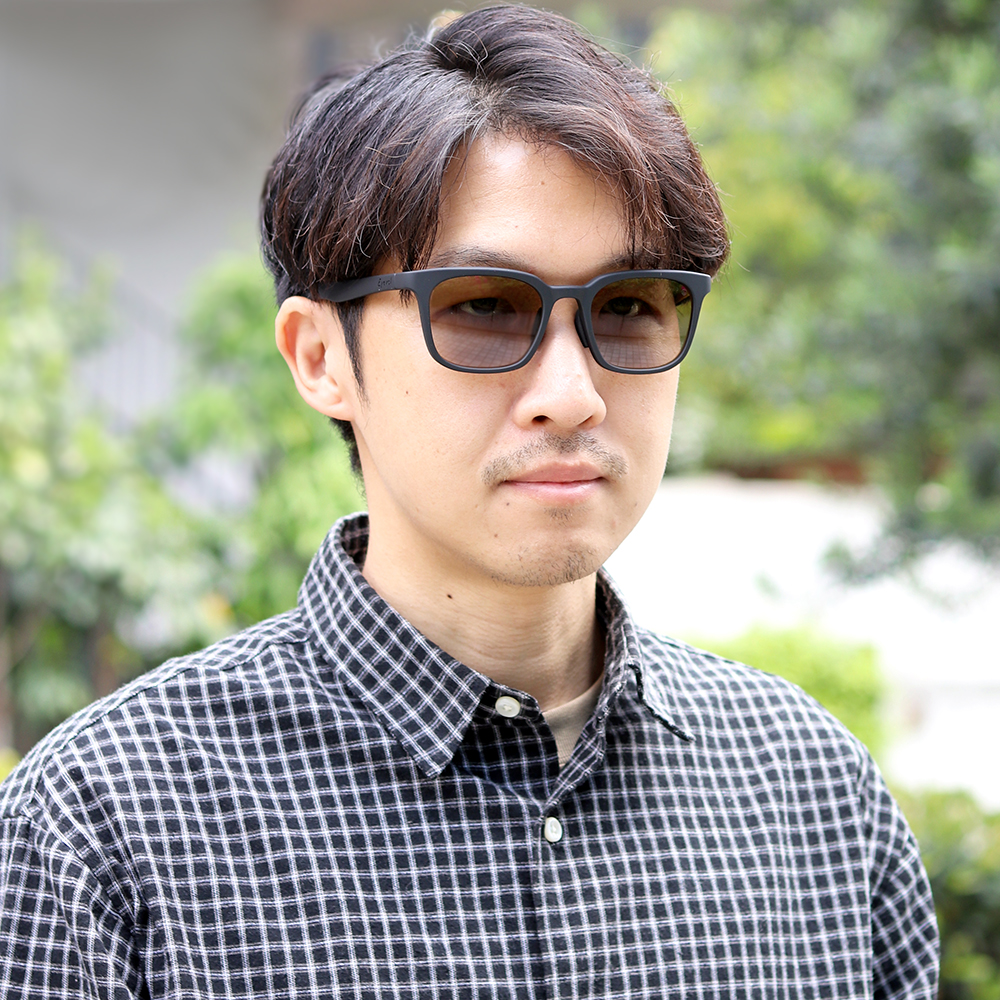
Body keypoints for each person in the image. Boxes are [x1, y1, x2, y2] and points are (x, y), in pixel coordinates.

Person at [0, 6, 938, 998]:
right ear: (320, 358)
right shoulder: (105, 832)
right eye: (484, 307)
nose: (571, 394)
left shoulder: (816, 799)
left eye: (628, 306)